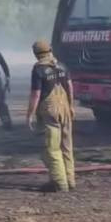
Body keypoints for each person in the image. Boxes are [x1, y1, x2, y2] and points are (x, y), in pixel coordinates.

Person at [25, 40, 76, 192]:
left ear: (35, 54)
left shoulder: (38, 69)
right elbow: (70, 87)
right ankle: (70, 180)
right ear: (50, 50)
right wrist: (71, 106)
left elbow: (36, 94)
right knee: (67, 146)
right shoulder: (61, 65)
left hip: (50, 110)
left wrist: (29, 115)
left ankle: (60, 184)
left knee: (53, 148)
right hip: (65, 108)